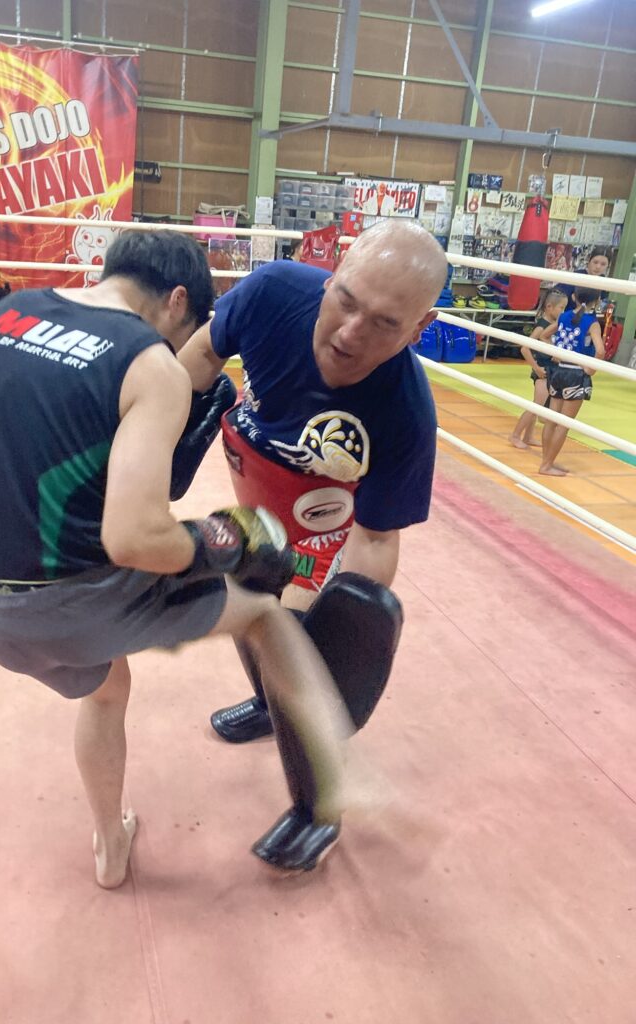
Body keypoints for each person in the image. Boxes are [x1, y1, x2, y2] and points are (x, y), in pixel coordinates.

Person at [0, 229, 354, 887]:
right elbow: (134, 539)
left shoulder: (6, 316)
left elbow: (35, 452)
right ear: (176, 301)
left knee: (108, 686)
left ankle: (111, 845)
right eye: (186, 337)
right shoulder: (150, 364)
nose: (182, 354)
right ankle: (342, 779)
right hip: (75, 605)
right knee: (263, 613)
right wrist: (227, 540)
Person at [176, 220, 449, 868]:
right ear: (332, 274)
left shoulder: (405, 413)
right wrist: (152, 438)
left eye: (384, 324)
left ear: (419, 328)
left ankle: (316, 809)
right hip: (255, 485)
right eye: (346, 300)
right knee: (246, 601)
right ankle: (267, 702)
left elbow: (375, 538)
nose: (350, 332)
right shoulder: (272, 293)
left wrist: (340, 635)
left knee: (298, 647)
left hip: (324, 520)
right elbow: (201, 356)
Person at [538, 287, 605, 477]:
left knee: (551, 421)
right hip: (575, 374)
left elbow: (543, 335)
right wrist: (589, 369)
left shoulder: (564, 316)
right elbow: (600, 351)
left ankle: (547, 461)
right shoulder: (592, 323)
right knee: (563, 425)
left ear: (573, 297)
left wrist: (557, 352)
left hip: (558, 371)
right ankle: (546, 465)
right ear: (597, 301)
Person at [509, 289, 567, 450]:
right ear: (549, 307)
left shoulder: (552, 326)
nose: (563, 312)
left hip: (550, 369)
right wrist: (536, 368)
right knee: (536, 405)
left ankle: (528, 436)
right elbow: (525, 348)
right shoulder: (542, 327)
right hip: (542, 370)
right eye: (561, 308)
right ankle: (515, 435)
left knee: (538, 405)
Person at [556, 248, 610, 312]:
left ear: (607, 266)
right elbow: (556, 297)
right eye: (595, 262)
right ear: (589, 260)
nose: (598, 267)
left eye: (603, 264)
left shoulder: (606, 283)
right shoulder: (576, 276)